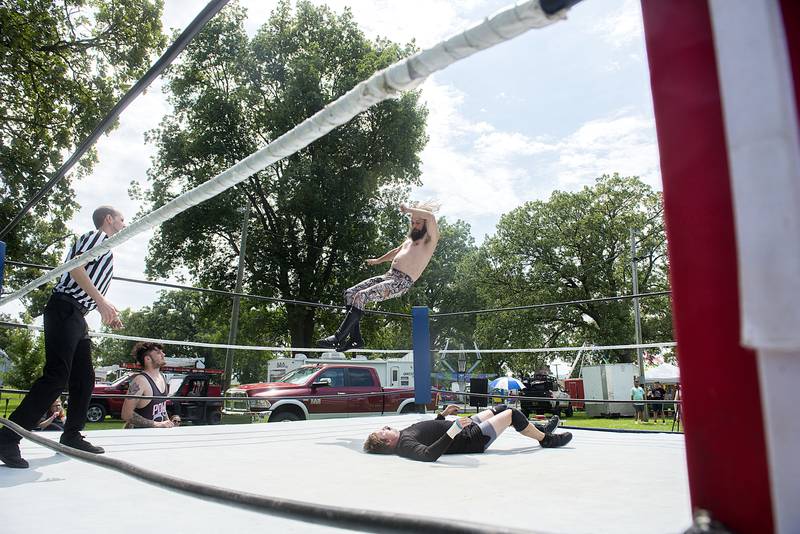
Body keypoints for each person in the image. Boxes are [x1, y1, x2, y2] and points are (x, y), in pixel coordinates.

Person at [0, 206, 125, 468]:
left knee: (85, 377)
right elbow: (75, 267)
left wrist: (105, 308)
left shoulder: (107, 249)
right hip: (64, 308)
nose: (125, 224)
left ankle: (71, 434)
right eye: (122, 219)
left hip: (77, 314)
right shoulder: (97, 238)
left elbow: (87, 284)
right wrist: (102, 303)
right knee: (57, 376)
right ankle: (8, 437)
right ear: (109, 219)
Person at [319, 202, 440, 351]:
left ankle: (338, 337)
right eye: (412, 222)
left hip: (401, 282)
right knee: (351, 293)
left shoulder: (430, 240)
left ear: (425, 223)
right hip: (388, 276)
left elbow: (431, 216)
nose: (414, 225)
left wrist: (409, 210)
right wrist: (378, 260)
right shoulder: (409, 240)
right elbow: (396, 251)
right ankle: (356, 339)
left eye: (418, 223)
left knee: (362, 296)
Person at [363, 404, 573, 462]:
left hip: (465, 427)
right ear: (388, 444)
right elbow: (428, 454)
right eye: (383, 433)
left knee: (501, 407)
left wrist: (442, 416)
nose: (385, 428)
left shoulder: (403, 436)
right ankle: (546, 439)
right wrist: (453, 430)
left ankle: (539, 430)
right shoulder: (405, 446)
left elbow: (427, 432)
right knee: (512, 413)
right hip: (471, 438)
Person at [121, 342, 175, 429]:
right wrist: (157, 424)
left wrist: (167, 423)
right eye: (158, 352)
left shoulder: (162, 377)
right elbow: (126, 414)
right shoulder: (140, 381)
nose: (163, 354)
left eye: (162, 351)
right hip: (141, 438)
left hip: (157, 437)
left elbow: (162, 408)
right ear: (148, 359)